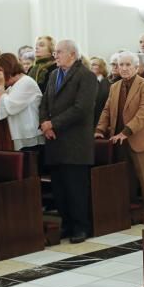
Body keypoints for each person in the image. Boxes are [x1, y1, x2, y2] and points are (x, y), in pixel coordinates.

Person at [41, 39, 97, 243]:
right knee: (60, 188)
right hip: (55, 141)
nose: (55, 55)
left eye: (59, 52)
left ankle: (81, 227)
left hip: (75, 143)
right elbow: (44, 102)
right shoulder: (54, 74)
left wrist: (52, 124)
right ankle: (67, 224)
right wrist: (44, 123)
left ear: (72, 54)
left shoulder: (86, 76)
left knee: (76, 188)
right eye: (54, 52)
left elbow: (81, 109)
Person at [95, 51, 144, 214]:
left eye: (128, 65)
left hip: (140, 139)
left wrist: (126, 131)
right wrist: (99, 129)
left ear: (137, 67)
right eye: (120, 65)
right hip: (118, 140)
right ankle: (128, 210)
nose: (123, 68)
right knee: (125, 177)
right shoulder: (114, 86)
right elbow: (107, 110)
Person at [0, 53, 44, 153]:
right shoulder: (13, 85)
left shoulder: (26, 82)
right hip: (19, 139)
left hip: (30, 140)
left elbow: (9, 107)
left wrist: (0, 86)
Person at [88, 56, 111, 122]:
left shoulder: (108, 83)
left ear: (101, 67)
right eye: (90, 64)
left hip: (101, 119)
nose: (91, 66)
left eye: (94, 64)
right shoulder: (87, 82)